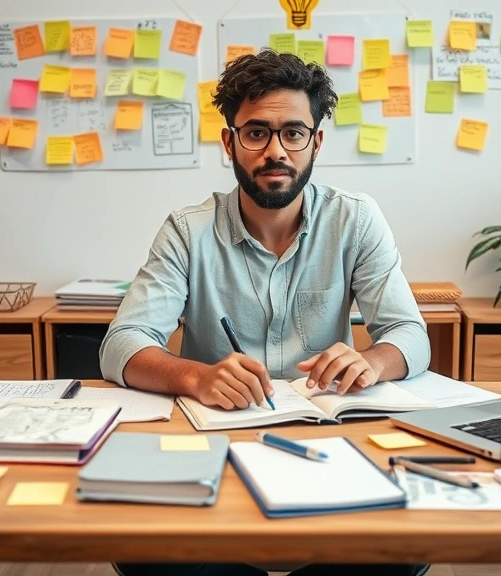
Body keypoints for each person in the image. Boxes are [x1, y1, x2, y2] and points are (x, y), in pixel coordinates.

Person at [101, 49, 430, 576]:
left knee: (404, 551)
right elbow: (122, 343)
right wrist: (196, 375)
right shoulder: (188, 230)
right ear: (229, 140)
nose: (275, 150)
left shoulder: (356, 220)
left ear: (316, 141)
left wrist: (373, 362)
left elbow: (409, 333)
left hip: (331, 445)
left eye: (293, 133)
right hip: (216, 448)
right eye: (256, 133)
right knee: (147, 553)